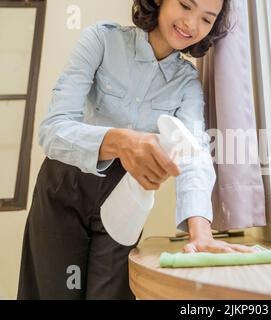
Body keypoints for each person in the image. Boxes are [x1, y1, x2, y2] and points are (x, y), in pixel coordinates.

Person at [18, 0, 254, 300]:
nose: (192, 24)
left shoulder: (187, 84)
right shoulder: (101, 40)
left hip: (125, 196)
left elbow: (192, 155)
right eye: (185, 5)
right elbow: (53, 130)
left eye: (207, 19)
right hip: (66, 185)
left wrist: (201, 233)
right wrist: (122, 141)